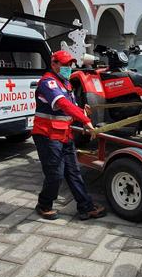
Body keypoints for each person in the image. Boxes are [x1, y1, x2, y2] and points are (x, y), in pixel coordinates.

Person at [32, 50, 106, 221]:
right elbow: (62, 104)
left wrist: (81, 110)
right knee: (55, 175)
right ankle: (44, 205)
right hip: (47, 136)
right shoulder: (47, 83)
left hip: (64, 134)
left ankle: (86, 207)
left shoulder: (65, 84)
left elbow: (68, 108)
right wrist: (85, 120)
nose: (68, 68)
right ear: (54, 64)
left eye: (70, 64)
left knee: (73, 172)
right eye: (65, 64)